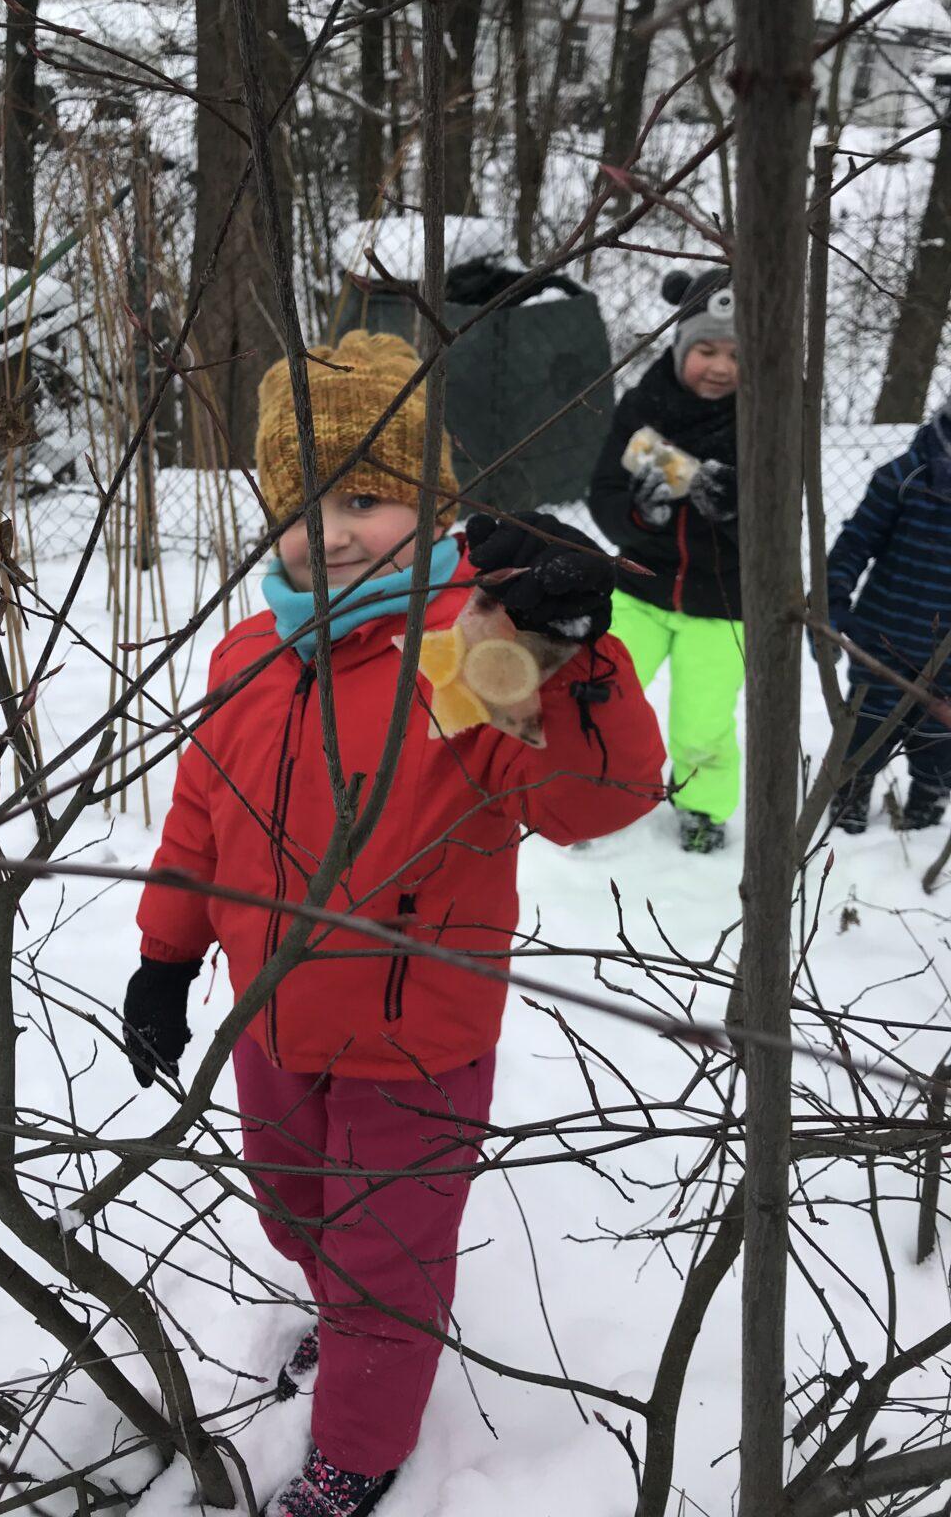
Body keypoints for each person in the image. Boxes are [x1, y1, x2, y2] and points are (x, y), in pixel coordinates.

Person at [125, 330, 665, 1517]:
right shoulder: (248, 653)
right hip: (271, 1028)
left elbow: (592, 800)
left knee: (385, 1261)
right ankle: (357, 1320)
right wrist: (165, 958)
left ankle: (359, 1445)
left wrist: (573, 653)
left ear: (434, 506)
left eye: (367, 496)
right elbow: (200, 822)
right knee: (294, 1210)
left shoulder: (470, 649)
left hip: (414, 1044)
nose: (331, 526)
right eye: (304, 498)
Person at [587, 268, 742, 853]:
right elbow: (602, 490)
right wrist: (639, 516)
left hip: (724, 602)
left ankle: (701, 806)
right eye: (706, 349)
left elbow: (785, 520)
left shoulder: (765, 419)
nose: (722, 367)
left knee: (703, 721)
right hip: (640, 588)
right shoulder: (643, 405)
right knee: (604, 688)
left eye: (736, 354)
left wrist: (737, 508)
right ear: (681, 345)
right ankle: (593, 789)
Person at [823, 399, 951, 834]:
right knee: (864, 736)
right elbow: (856, 542)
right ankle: (848, 805)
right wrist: (833, 599)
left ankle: (924, 817)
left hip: (949, 661)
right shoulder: (905, 476)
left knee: (939, 745)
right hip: (883, 640)